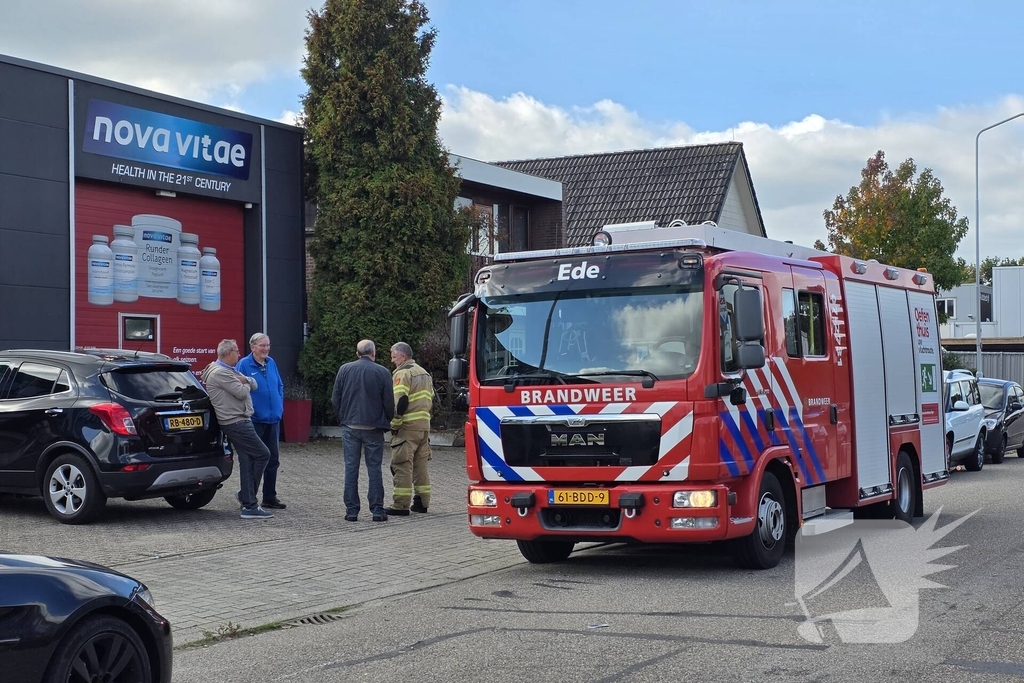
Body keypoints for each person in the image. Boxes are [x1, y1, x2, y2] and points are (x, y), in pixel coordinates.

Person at [202, 339, 273, 520]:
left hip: (240, 420)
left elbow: (253, 384)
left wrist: (246, 380)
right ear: (228, 353)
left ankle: (249, 503)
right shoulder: (221, 373)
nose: (239, 355)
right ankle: (247, 499)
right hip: (236, 422)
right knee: (263, 454)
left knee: (248, 459)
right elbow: (243, 392)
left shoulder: (230, 370)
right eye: (236, 351)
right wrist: (247, 382)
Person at [331, 339, 395, 522]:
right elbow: (389, 402)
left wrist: (342, 418)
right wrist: (386, 420)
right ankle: (377, 510)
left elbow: (336, 398)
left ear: (357, 353)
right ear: (373, 353)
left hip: (350, 426)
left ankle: (351, 511)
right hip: (374, 426)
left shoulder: (344, 369)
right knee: (374, 468)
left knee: (351, 467)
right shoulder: (382, 372)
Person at [235, 333, 286, 509]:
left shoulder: (271, 362)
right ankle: (248, 498)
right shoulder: (244, 365)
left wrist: (280, 406)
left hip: (273, 420)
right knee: (253, 460)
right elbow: (239, 390)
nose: (266, 349)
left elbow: (279, 385)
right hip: (255, 420)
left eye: (268, 345)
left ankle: (269, 496)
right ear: (253, 347)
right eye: (262, 346)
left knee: (273, 459)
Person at [386, 342, 434, 516]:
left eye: (393, 357)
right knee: (420, 466)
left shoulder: (403, 373)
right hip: (424, 427)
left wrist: (395, 424)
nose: (392, 361)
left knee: (402, 464)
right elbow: (431, 400)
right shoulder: (425, 373)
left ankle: (401, 505)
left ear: (403, 356)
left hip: (407, 427)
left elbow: (400, 402)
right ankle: (422, 502)